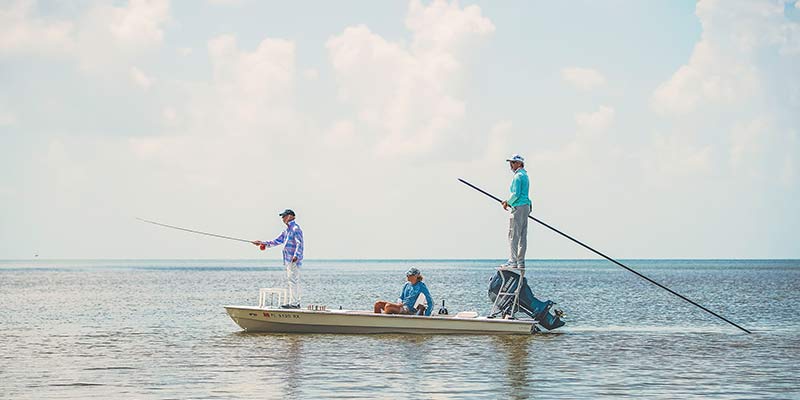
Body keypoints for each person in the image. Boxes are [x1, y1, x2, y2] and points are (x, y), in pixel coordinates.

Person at [253, 209, 304, 309]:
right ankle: (294, 302)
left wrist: (296, 256)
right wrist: (262, 243)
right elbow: (277, 241)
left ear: (290, 216)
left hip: (293, 259)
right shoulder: (287, 230)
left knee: (293, 280)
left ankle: (295, 303)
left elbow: (300, 243)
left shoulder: (295, 229)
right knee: (292, 280)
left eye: (284, 216)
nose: (282, 219)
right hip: (288, 259)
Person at [500, 154, 531, 269]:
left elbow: (516, 194)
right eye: (510, 163)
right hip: (526, 206)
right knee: (522, 235)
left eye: (513, 163)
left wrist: (507, 202)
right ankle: (520, 261)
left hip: (518, 207)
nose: (511, 165)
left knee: (513, 235)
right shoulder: (525, 176)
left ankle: (513, 261)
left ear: (519, 163)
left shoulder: (518, 176)